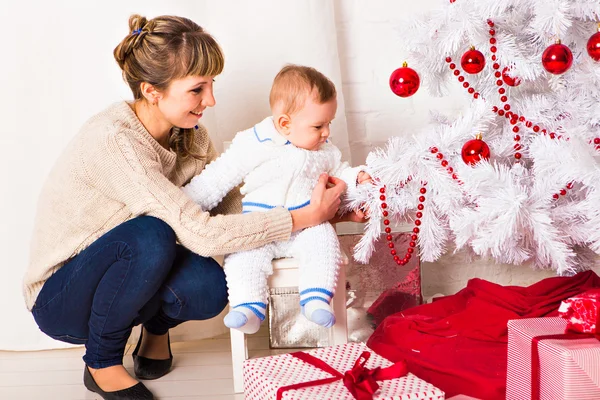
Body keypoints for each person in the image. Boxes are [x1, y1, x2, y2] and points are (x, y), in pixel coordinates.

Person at [22, 15, 365, 400]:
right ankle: (101, 362)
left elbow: (236, 210)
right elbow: (200, 232)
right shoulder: (116, 142)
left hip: (126, 278)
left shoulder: (190, 136)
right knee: (153, 233)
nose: (211, 100)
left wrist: (325, 214)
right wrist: (303, 218)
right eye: (197, 89)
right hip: (62, 298)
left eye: (212, 84)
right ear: (152, 91)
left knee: (209, 286)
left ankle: (156, 329)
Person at [183, 65, 372, 334]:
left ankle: (316, 299)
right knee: (242, 256)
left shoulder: (324, 150)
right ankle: (247, 307)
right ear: (285, 123)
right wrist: (186, 202)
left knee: (324, 244)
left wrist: (359, 177)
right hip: (262, 223)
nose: (327, 132)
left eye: (329, 123)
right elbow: (218, 177)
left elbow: (341, 173)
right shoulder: (254, 143)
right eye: (319, 125)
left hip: (309, 225)